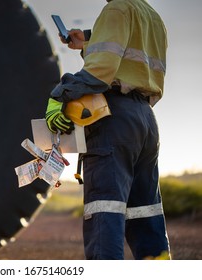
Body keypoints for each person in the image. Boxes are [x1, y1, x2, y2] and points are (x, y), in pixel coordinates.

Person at [45, 0, 170, 259]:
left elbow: (101, 72)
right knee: (146, 215)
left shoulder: (117, 9)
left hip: (114, 118)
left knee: (105, 212)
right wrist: (88, 41)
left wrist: (60, 95)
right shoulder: (153, 17)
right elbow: (127, 58)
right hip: (145, 121)